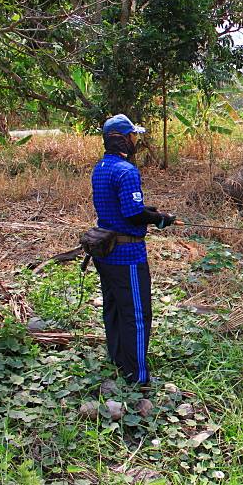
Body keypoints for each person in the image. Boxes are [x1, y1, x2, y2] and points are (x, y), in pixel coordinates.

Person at [91, 114, 176, 385]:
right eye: (132, 136)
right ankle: (137, 377)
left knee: (114, 307)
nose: (135, 141)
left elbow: (121, 208)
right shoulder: (127, 171)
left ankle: (117, 359)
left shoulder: (101, 167)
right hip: (127, 255)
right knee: (137, 315)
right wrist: (159, 218)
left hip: (104, 252)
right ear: (120, 139)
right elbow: (131, 214)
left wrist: (147, 212)